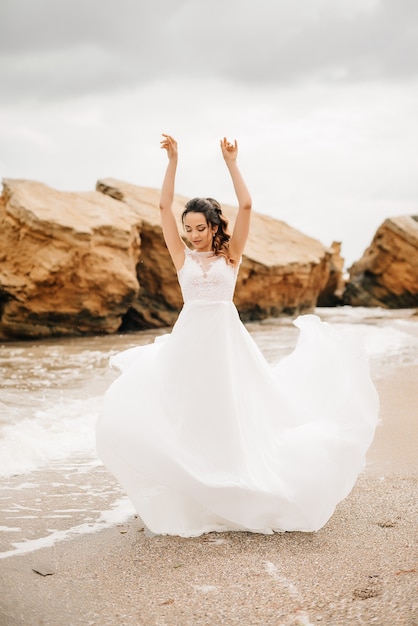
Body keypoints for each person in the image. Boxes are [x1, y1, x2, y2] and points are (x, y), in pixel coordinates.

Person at [96, 135, 379, 537]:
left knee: (228, 408)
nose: (193, 234)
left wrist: (231, 163)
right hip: (190, 339)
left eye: (200, 228)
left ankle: (234, 484)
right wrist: (173, 160)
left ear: (213, 227)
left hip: (226, 341)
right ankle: (195, 489)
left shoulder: (232, 255)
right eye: (188, 228)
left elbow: (246, 206)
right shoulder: (182, 257)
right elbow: (162, 206)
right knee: (189, 410)